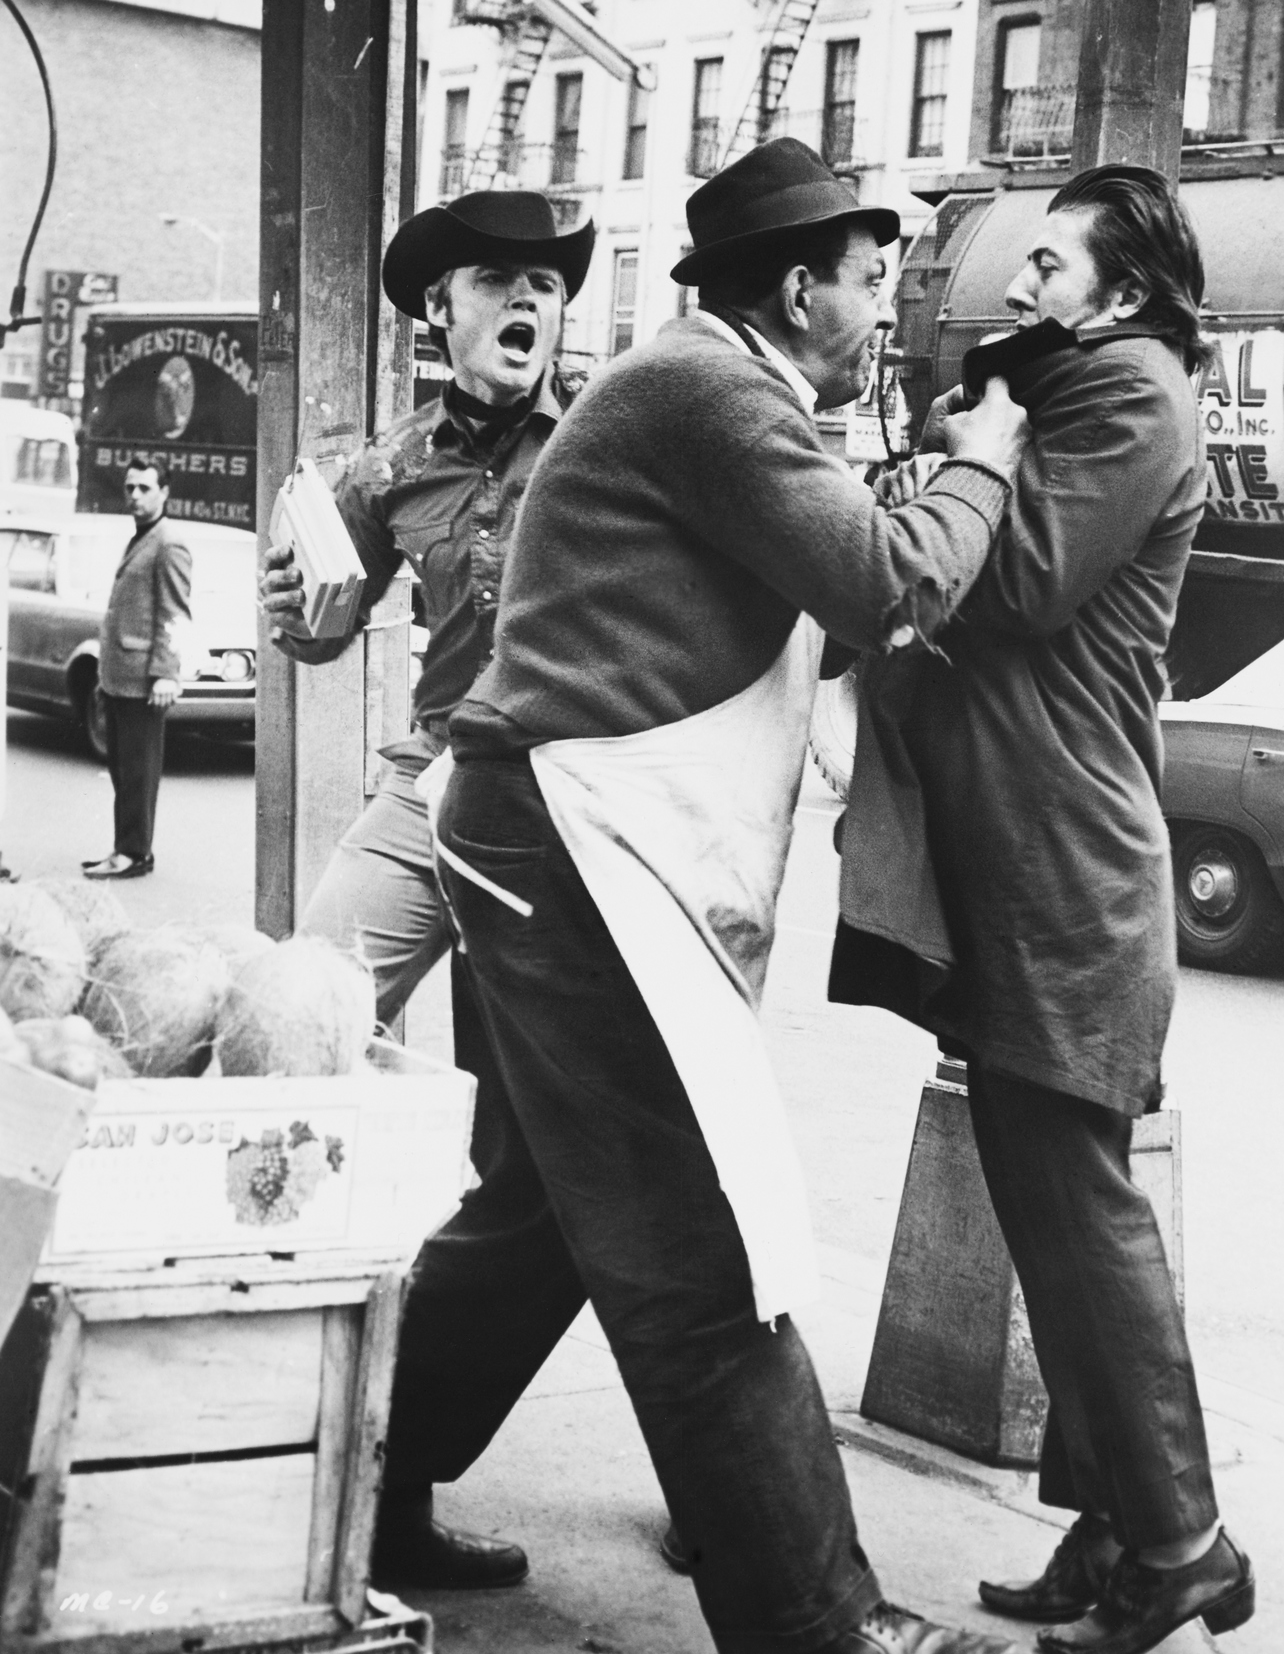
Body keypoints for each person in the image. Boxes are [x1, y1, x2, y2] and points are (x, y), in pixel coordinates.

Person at [387, 137, 1034, 1654]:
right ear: (800, 288)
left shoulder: (721, 389)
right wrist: (986, 458)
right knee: (701, 1244)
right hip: (571, 849)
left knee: (544, 1216)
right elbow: (890, 583)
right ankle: (820, 1621)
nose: (883, 313)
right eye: (872, 284)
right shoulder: (711, 392)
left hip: (554, 837)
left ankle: (356, 1466)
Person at [831, 166, 1254, 1654]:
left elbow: (1006, 587)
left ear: (1125, 296)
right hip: (1031, 865)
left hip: (1067, 874)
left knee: (1075, 1210)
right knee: (1046, 1200)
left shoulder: (1128, 392)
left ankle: (1179, 1544)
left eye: (1052, 264)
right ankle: (1110, 1524)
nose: (1017, 281)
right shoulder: (1068, 391)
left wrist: (976, 448)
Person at [258, 189, 592, 1039]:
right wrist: (295, 607)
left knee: (520, 1092)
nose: (526, 299)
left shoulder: (607, 432)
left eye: (545, 285)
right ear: (439, 306)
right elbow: (324, 632)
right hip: (436, 774)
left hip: (573, 789)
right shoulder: (390, 465)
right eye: (496, 279)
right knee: (304, 1017)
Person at [82, 457, 192, 880]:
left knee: (138, 774)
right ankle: (124, 848)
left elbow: (175, 614)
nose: (135, 496)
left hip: (145, 681)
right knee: (123, 772)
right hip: (119, 678)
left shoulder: (168, 542)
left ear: (165, 493)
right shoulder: (141, 537)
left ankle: (134, 854)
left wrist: (166, 672)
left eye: (145, 488)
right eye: (130, 487)